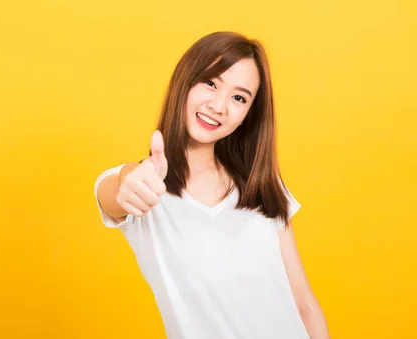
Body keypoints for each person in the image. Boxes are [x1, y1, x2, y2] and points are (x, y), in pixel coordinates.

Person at [94, 32, 330, 339]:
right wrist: (128, 177)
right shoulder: (146, 188)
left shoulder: (263, 187)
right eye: (210, 83)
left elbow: (304, 306)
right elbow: (113, 191)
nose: (219, 106)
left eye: (238, 97)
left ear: (248, 115)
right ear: (185, 80)